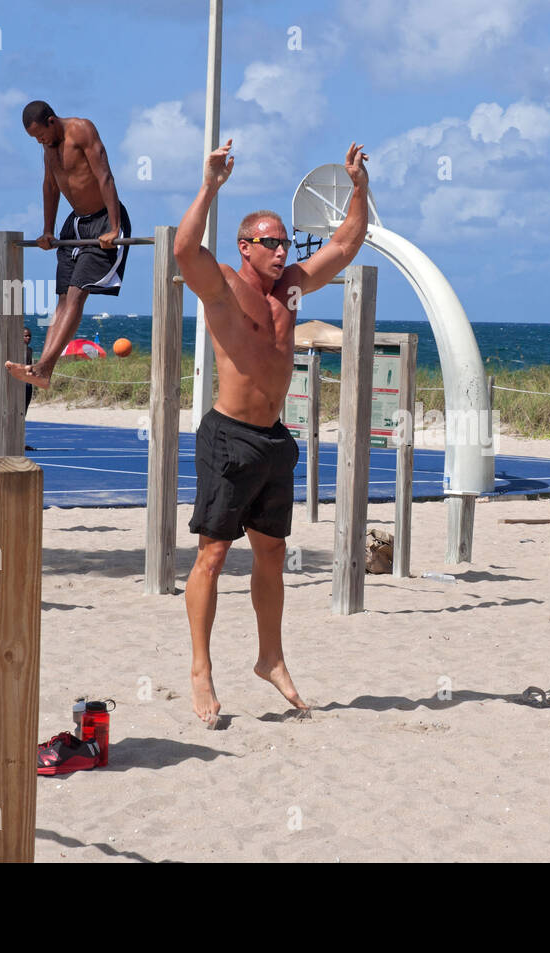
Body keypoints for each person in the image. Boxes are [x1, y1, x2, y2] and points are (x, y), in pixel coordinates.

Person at [176, 138, 370, 725]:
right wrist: (210, 183)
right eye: (271, 241)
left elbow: (346, 243)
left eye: (285, 241)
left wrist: (359, 190)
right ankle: (200, 669)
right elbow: (185, 250)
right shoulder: (225, 288)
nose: (283, 249)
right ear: (244, 247)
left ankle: (270, 658)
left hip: (272, 440)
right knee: (212, 555)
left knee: (273, 553)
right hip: (229, 437)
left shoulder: (291, 287)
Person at [6, 101, 131, 390]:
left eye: (41, 135)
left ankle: (43, 368)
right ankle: (41, 369)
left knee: (76, 295)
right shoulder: (47, 148)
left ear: (52, 120)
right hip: (75, 223)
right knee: (63, 298)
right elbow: (50, 186)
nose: (40, 142)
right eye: (35, 139)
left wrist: (114, 228)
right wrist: (47, 230)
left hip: (104, 222)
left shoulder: (82, 130)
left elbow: (104, 176)